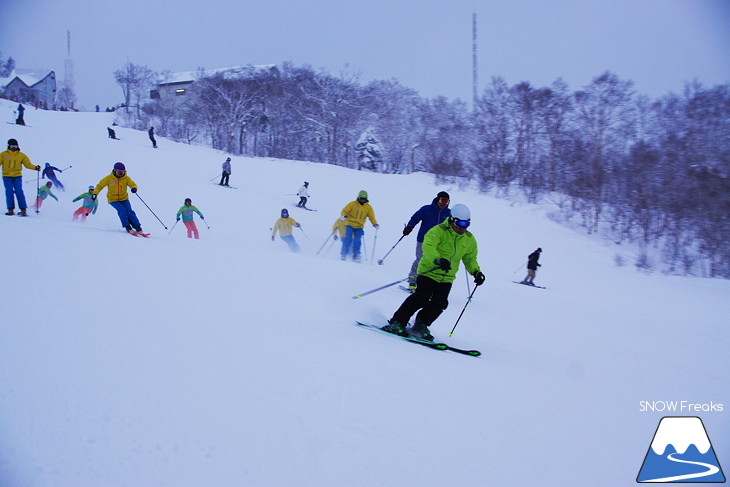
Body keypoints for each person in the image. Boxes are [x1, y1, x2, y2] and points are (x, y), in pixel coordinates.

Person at [382, 204, 485, 341]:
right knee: (420, 298)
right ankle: (397, 322)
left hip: (447, 277)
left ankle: (421, 324)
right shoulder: (438, 231)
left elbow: (470, 258)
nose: (462, 228)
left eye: (466, 224)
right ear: (452, 220)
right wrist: (438, 260)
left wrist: (476, 272)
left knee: (440, 303)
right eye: (459, 223)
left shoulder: (468, 239)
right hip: (429, 271)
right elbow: (428, 247)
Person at [402, 191, 451, 293]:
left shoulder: (449, 213)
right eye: (442, 200)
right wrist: (409, 227)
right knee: (420, 260)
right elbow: (415, 218)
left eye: (446, 202)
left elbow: (453, 226)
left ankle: (429, 285)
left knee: (435, 264)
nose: (443, 204)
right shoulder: (427, 209)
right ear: (437, 199)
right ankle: (412, 282)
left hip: (438, 243)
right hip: (423, 240)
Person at [92, 162, 146, 235]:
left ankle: (137, 227)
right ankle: (127, 226)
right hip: (113, 199)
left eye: (123, 172)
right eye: (119, 172)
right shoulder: (109, 178)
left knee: (129, 211)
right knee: (122, 210)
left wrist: (134, 188)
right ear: (115, 171)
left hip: (124, 198)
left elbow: (132, 184)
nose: (121, 174)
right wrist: (95, 193)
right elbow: (100, 186)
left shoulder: (126, 178)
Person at [1, 138, 40, 216]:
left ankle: (23, 209)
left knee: (19, 191)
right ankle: (10, 209)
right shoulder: (3, 154)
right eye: (12, 146)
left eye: (15, 146)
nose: (13, 147)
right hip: (6, 176)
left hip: (17, 176)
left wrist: (35, 167)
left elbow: (27, 164)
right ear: (8, 146)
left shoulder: (21, 155)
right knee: (9, 191)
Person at [339, 190, 379, 262]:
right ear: (358, 197)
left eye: (364, 199)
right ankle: (343, 254)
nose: (362, 200)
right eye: (361, 198)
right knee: (347, 238)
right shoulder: (353, 204)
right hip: (349, 224)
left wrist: (374, 223)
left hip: (359, 226)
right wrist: (343, 216)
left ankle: (356, 255)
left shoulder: (368, 208)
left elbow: (371, 217)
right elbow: (345, 211)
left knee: (357, 240)